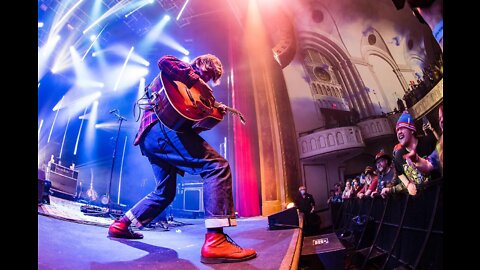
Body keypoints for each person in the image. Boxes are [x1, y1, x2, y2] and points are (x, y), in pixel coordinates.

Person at [107, 54, 256, 264]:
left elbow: (191, 124)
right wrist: (198, 81)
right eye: (209, 74)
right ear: (202, 64)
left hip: (152, 137)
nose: (208, 82)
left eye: (211, 78)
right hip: (161, 128)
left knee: (164, 193)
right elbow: (163, 61)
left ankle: (121, 225)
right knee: (216, 166)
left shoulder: (191, 94)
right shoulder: (182, 69)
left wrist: (213, 113)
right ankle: (216, 241)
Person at [381, 110, 437, 197]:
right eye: (397, 130)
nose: (399, 132)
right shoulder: (398, 156)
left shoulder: (429, 142)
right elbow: (399, 173)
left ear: (411, 130)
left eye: (402, 128)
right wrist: (407, 184)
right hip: (423, 203)